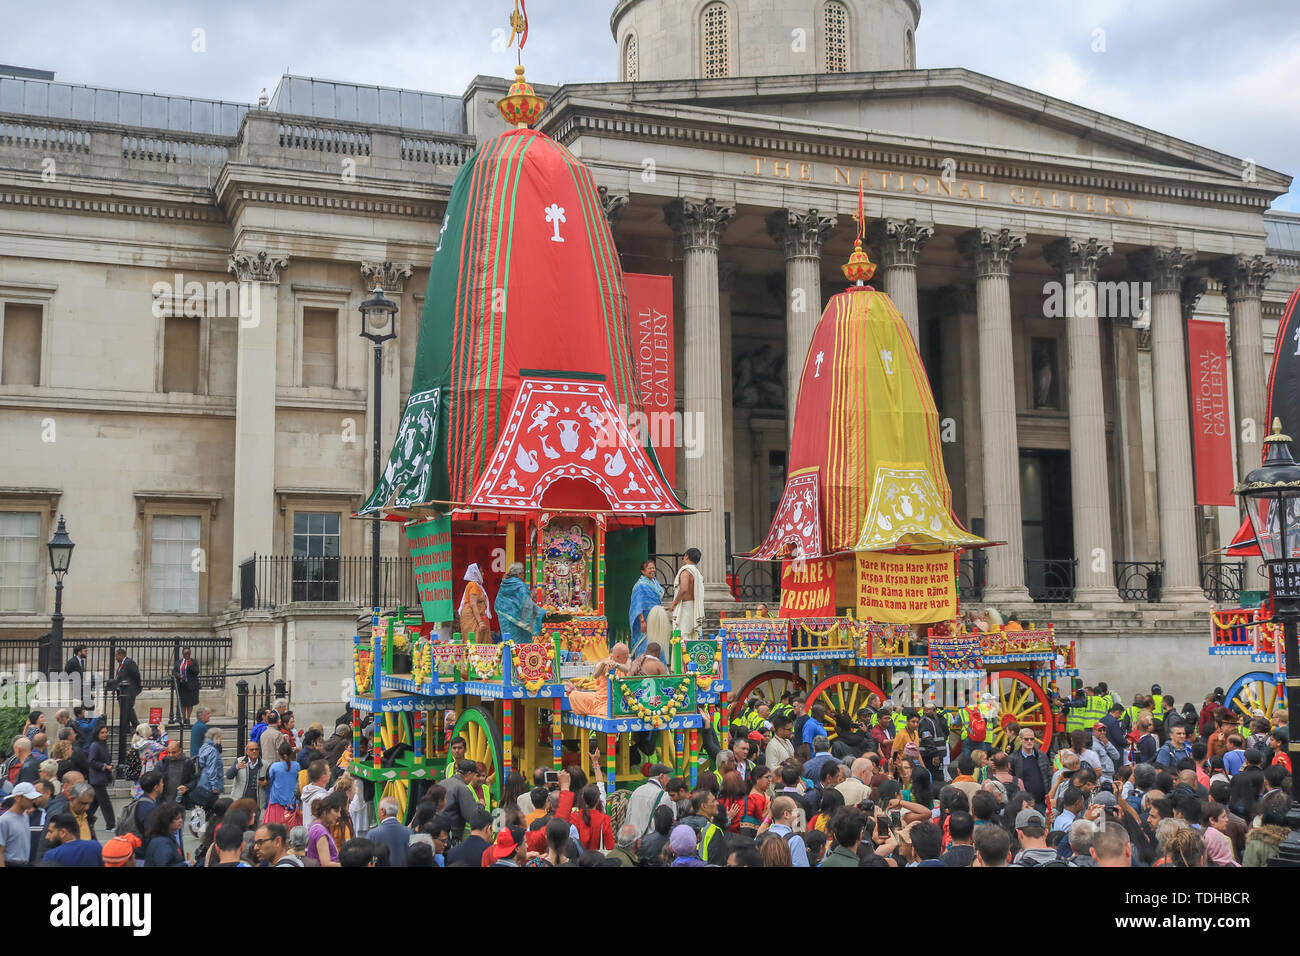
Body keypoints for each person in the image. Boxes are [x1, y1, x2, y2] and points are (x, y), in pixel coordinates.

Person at [564, 642, 631, 717]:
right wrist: (603, 665)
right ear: (617, 657)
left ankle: (596, 710)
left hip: (618, 699)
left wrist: (616, 665)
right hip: (600, 697)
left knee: (611, 707)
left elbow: (628, 669)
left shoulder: (627, 661)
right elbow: (595, 675)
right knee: (574, 695)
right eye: (625, 657)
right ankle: (595, 710)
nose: (627, 658)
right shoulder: (605, 661)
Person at [628, 558, 667, 659]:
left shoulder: (655, 582)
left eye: (654, 568)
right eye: (649, 568)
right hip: (645, 619)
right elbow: (638, 605)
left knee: (657, 641)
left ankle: (659, 667)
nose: (652, 570)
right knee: (645, 643)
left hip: (656, 618)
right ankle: (643, 667)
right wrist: (642, 621)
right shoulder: (640, 585)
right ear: (643, 571)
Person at [495, 562, 545, 641]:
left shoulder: (504, 584)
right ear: (519, 574)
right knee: (519, 646)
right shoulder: (520, 584)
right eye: (523, 573)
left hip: (505, 619)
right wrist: (542, 612)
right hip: (517, 623)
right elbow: (527, 604)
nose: (524, 576)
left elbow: (503, 602)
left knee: (508, 644)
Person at [668, 548, 705, 641]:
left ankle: (681, 656)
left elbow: (684, 589)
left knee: (681, 635)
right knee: (692, 636)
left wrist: (674, 603)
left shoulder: (686, 571)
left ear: (687, 556)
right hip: (694, 606)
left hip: (685, 607)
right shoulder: (697, 573)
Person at [86, 723, 117, 831]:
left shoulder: (103, 744)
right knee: (105, 803)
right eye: (102, 732)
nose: (105, 734)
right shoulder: (95, 745)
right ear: (97, 733)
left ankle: (86, 821)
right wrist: (104, 766)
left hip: (101, 777)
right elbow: (91, 761)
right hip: (97, 778)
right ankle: (111, 824)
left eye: (105, 732)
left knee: (95, 802)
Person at [367, 796, 413, 866]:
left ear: (383, 811)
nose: (377, 813)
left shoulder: (372, 834)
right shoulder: (409, 832)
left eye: (378, 810)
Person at [0, 782, 37, 866]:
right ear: (17, 798)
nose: (33, 801)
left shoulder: (25, 817)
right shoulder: (4, 821)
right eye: (30, 798)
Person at [143, 802, 188, 867]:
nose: (181, 820)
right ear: (167, 820)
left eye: (181, 818)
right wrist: (186, 864)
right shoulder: (162, 842)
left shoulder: (165, 837)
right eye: (177, 818)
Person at [193, 728, 225, 817]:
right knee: (212, 813)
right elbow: (212, 769)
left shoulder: (204, 747)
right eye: (220, 737)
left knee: (205, 811)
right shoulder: (212, 751)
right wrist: (214, 786)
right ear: (216, 737)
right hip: (209, 786)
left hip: (204, 784)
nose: (221, 740)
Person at [112, 648, 142, 737]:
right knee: (125, 710)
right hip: (122, 691)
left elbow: (136, 675)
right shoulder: (123, 664)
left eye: (116, 656)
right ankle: (126, 729)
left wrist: (137, 687)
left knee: (128, 709)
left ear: (121, 655)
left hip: (129, 691)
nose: (116, 658)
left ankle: (137, 726)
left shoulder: (129, 663)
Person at [458, 563, 492, 643]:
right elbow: (473, 604)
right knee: (474, 642)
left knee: (478, 641)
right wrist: (480, 622)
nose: (483, 574)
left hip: (476, 615)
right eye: (481, 572)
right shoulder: (474, 585)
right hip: (472, 617)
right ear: (475, 573)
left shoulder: (476, 585)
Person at [306, 794, 343, 867]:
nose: (339, 815)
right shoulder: (319, 831)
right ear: (325, 811)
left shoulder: (315, 826)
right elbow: (326, 863)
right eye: (336, 811)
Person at [174, 649, 201, 726]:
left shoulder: (194, 662)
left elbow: (196, 672)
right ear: (182, 654)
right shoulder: (178, 662)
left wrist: (191, 666)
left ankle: (188, 719)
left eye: (188, 653)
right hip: (182, 686)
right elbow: (174, 671)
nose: (187, 655)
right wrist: (179, 675)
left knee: (190, 703)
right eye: (185, 653)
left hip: (191, 686)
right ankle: (183, 718)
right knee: (183, 703)